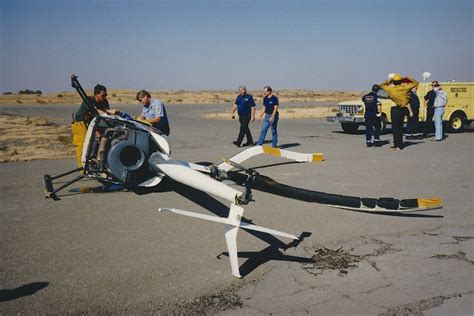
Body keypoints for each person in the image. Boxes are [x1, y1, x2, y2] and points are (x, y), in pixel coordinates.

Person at [380, 74, 418, 150]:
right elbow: (416, 83)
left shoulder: (390, 89)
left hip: (395, 109)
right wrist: (407, 77)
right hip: (403, 109)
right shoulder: (405, 88)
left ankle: (396, 145)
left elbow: (381, 85)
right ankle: (399, 145)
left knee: (395, 128)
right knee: (400, 128)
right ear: (401, 81)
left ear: (393, 82)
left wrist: (389, 80)